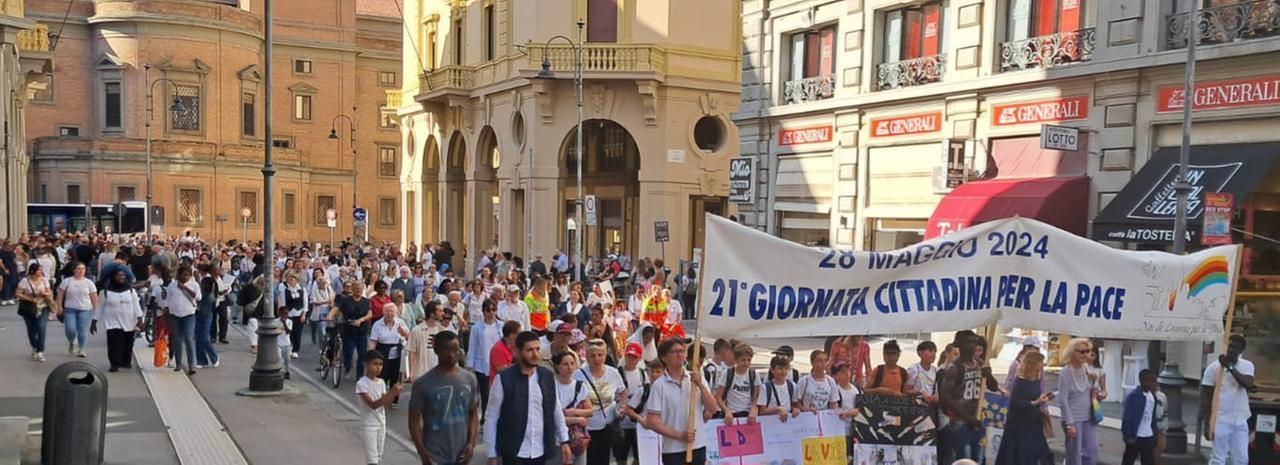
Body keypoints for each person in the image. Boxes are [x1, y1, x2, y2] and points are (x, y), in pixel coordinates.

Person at [484, 331, 573, 465]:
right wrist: (492, 453)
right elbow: (492, 417)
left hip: (540, 451)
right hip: (513, 452)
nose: (535, 354)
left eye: (537, 349)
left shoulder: (547, 377)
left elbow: (555, 410)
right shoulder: (503, 379)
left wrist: (564, 441)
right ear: (517, 352)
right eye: (529, 350)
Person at [644, 337, 720, 465]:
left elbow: (713, 409)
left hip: (697, 446)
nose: (680, 355)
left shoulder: (696, 379)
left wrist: (701, 385)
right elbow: (652, 421)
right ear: (664, 357)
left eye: (682, 351)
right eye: (674, 352)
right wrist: (679, 435)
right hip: (673, 450)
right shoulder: (659, 385)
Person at [409, 331, 480, 465]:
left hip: (461, 455)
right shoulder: (422, 383)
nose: (452, 355)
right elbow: (413, 421)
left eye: (455, 350)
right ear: (436, 350)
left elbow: (473, 414)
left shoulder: (470, 379)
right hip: (435, 455)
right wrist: (423, 452)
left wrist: (471, 444)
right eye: (447, 350)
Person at [940, 332, 997, 464]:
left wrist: (988, 375)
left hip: (977, 419)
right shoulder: (955, 368)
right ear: (959, 345)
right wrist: (968, 418)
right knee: (963, 459)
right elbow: (945, 397)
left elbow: (993, 387)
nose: (971, 346)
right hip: (960, 421)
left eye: (974, 342)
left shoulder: (980, 363)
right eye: (968, 342)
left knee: (978, 458)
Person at [1201, 334, 1255, 465]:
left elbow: (1248, 383)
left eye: (1235, 348)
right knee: (1219, 458)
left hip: (1240, 419)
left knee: (1242, 459)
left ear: (1241, 351)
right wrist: (1208, 422)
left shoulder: (1247, 365)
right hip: (1220, 419)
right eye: (1229, 347)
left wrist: (1230, 367)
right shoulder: (1213, 368)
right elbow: (1206, 397)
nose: (1231, 350)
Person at [995, 352, 1054, 465]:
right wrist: (1034, 402)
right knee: (1021, 455)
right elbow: (1015, 403)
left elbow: (1037, 393)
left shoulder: (1037, 378)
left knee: (1043, 454)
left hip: (1034, 423)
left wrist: (1043, 399)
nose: (1041, 367)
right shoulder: (1020, 382)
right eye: (1039, 364)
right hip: (1019, 425)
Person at [576, 339, 626, 465]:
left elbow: (623, 392)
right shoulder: (578, 375)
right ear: (586, 357)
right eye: (593, 355)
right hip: (586, 427)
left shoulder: (613, 373)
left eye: (600, 355)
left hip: (607, 426)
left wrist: (621, 407)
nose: (597, 359)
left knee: (604, 459)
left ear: (605, 356)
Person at [92, 269, 143, 372]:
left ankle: (126, 361)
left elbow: (136, 306)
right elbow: (99, 308)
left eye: (123, 276)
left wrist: (140, 320)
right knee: (114, 343)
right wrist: (94, 322)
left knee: (128, 343)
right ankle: (114, 364)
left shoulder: (130, 291)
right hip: (112, 322)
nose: (121, 277)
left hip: (129, 321)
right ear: (113, 277)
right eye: (118, 275)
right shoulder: (105, 292)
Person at [356, 350, 403, 465]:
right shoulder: (361, 384)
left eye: (380, 365)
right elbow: (373, 405)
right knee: (372, 459)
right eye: (375, 364)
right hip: (369, 425)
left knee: (379, 456)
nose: (378, 367)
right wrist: (391, 392)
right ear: (366, 364)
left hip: (381, 423)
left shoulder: (381, 382)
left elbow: (385, 404)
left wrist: (394, 395)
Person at [1059, 337, 1100, 465]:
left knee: (1092, 451)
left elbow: (1092, 393)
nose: (1085, 354)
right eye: (1081, 351)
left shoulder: (1087, 368)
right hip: (1074, 418)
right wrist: (1069, 424)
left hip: (1088, 417)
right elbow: (1063, 399)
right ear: (1072, 352)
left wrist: (1095, 382)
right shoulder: (1066, 372)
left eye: (1087, 351)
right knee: (1074, 455)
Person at [614, 342, 650, 464]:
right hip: (622, 422)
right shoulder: (617, 373)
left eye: (634, 357)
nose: (631, 359)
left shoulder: (643, 374)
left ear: (639, 358)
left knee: (639, 456)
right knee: (621, 457)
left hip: (638, 422)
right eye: (629, 356)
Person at [370, 302, 411, 409]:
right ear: (383, 312)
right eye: (387, 311)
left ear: (396, 313)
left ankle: (394, 400)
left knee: (395, 377)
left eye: (391, 311)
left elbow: (409, 336)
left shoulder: (400, 322)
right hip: (382, 350)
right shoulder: (377, 324)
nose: (389, 314)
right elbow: (373, 340)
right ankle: (381, 399)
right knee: (382, 376)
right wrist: (370, 354)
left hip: (397, 352)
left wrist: (403, 333)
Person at [331, 281, 373, 379]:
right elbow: (336, 308)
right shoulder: (345, 300)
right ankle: (348, 366)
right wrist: (330, 315)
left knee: (362, 354)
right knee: (348, 352)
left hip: (362, 331)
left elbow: (369, 314)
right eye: (356, 288)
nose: (358, 291)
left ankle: (360, 375)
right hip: (348, 331)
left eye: (360, 289)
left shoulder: (366, 301)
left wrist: (361, 320)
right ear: (352, 289)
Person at [467, 298, 503, 409]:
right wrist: (470, 365)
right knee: (485, 394)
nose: (491, 312)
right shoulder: (476, 328)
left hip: (499, 365)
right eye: (488, 310)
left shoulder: (501, 326)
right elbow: (472, 346)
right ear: (483, 311)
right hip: (481, 366)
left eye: (493, 309)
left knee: (498, 393)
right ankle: (484, 418)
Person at [57, 262, 98, 358]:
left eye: (83, 269)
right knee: (70, 329)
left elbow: (94, 297)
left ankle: (82, 348)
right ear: (74, 270)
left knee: (82, 329)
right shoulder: (67, 281)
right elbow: (60, 294)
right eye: (78, 269)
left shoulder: (89, 283)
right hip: (70, 309)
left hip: (85, 309)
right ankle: (72, 341)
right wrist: (59, 306)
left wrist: (96, 310)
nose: (81, 271)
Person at [166, 266, 201, 375]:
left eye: (187, 275)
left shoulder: (194, 285)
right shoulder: (172, 285)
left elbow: (198, 297)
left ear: (190, 276)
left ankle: (191, 365)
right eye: (183, 274)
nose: (184, 277)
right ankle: (178, 363)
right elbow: (168, 299)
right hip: (175, 315)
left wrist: (185, 288)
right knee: (177, 339)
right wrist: (167, 310)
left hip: (189, 314)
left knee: (188, 338)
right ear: (178, 275)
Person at [713, 343, 760, 421]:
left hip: (748, 414)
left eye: (749, 360)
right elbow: (718, 397)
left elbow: (756, 396)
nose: (746, 363)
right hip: (731, 414)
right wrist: (726, 410)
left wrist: (753, 408)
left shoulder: (754, 374)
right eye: (743, 360)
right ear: (735, 360)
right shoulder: (727, 373)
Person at [1122, 370, 1159, 465]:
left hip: (1148, 435)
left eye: (1155, 381)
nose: (1154, 383)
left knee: (1149, 461)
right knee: (1128, 460)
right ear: (1142, 381)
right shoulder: (1133, 396)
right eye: (1151, 381)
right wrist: (1128, 435)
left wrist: (1154, 434)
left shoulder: (1152, 397)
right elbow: (1127, 417)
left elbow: (1152, 417)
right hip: (1136, 436)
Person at [406, 301, 448, 381]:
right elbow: (411, 352)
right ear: (432, 313)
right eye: (440, 311)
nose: (443, 313)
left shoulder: (443, 331)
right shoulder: (417, 330)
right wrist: (410, 372)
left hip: (439, 372)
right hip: (421, 372)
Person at [794, 349, 839, 414]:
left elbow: (833, 403)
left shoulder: (830, 381)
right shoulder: (804, 381)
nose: (823, 364)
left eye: (825, 361)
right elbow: (797, 403)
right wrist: (806, 409)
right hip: (807, 417)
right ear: (812, 362)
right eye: (820, 361)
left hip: (824, 417)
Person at [194, 265, 220, 369]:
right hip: (198, 315)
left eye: (203, 284)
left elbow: (198, 298)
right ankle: (201, 360)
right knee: (198, 338)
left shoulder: (209, 295)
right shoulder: (203, 292)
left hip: (206, 317)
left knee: (204, 338)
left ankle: (214, 357)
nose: (201, 285)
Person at [758, 355, 796, 422]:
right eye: (780, 368)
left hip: (787, 422)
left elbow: (793, 405)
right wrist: (778, 409)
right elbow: (762, 411)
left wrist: (796, 409)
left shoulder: (792, 385)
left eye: (786, 368)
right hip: (770, 423)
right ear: (772, 370)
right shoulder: (765, 387)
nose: (783, 371)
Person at [908, 340, 939, 404]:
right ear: (920, 353)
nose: (933, 354)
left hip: (930, 406)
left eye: (935, 352)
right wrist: (920, 392)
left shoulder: (935, 370)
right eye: (930, 351)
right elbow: (906, 390)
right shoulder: (913, 369)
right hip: (916, 405)